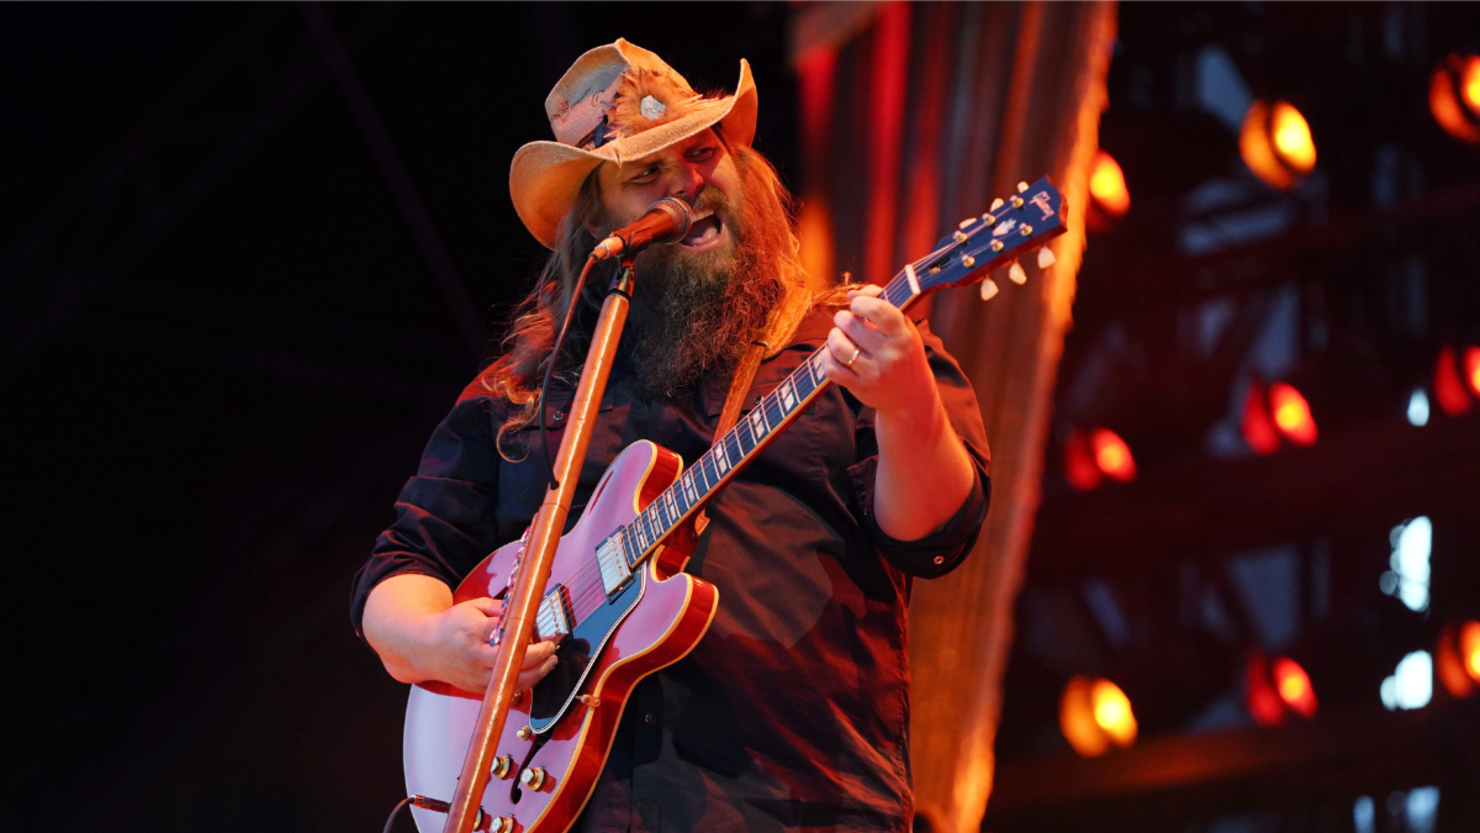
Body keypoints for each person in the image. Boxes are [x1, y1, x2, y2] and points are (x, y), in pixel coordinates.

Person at [351, 39, 990, 833]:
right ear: (597, 227)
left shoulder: (842, 343)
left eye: (701, 151)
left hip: (797, 805)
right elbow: (400, 570)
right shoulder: (521, 396)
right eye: (645, 174)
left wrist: (906, 401)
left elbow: (937, 533)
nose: (686, 184)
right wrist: (438, 639)